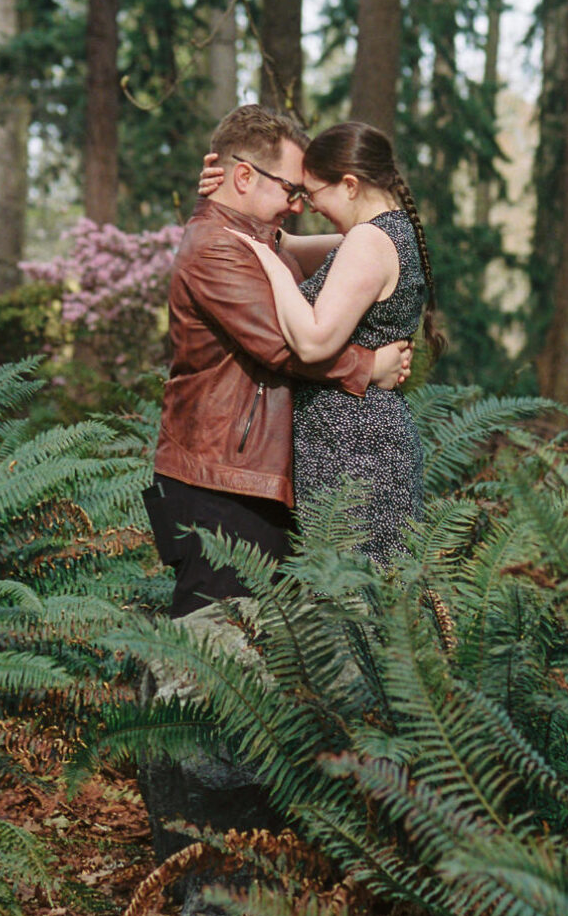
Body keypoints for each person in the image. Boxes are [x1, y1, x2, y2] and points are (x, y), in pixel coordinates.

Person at [146, 105, 413, 617]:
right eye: (291, 190)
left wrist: (382, 236)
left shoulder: (257, 239)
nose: (297, 205)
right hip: (219, 480)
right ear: (244, 175)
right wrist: (368, 368)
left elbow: (347, 250)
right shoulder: (215, 247)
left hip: (248, 477)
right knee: (217, 651)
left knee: (263, 659)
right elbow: (282, 344)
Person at [233, 122, 445, 564]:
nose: (309, 206)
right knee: (371, 607)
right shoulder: (388, 231)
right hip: (360, 442)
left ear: (349, 185)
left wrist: (268, 267)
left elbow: (312, 342)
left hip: (353, 450)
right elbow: (290, 243)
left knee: (350, 604)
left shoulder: (368, 242)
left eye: (313, 194)